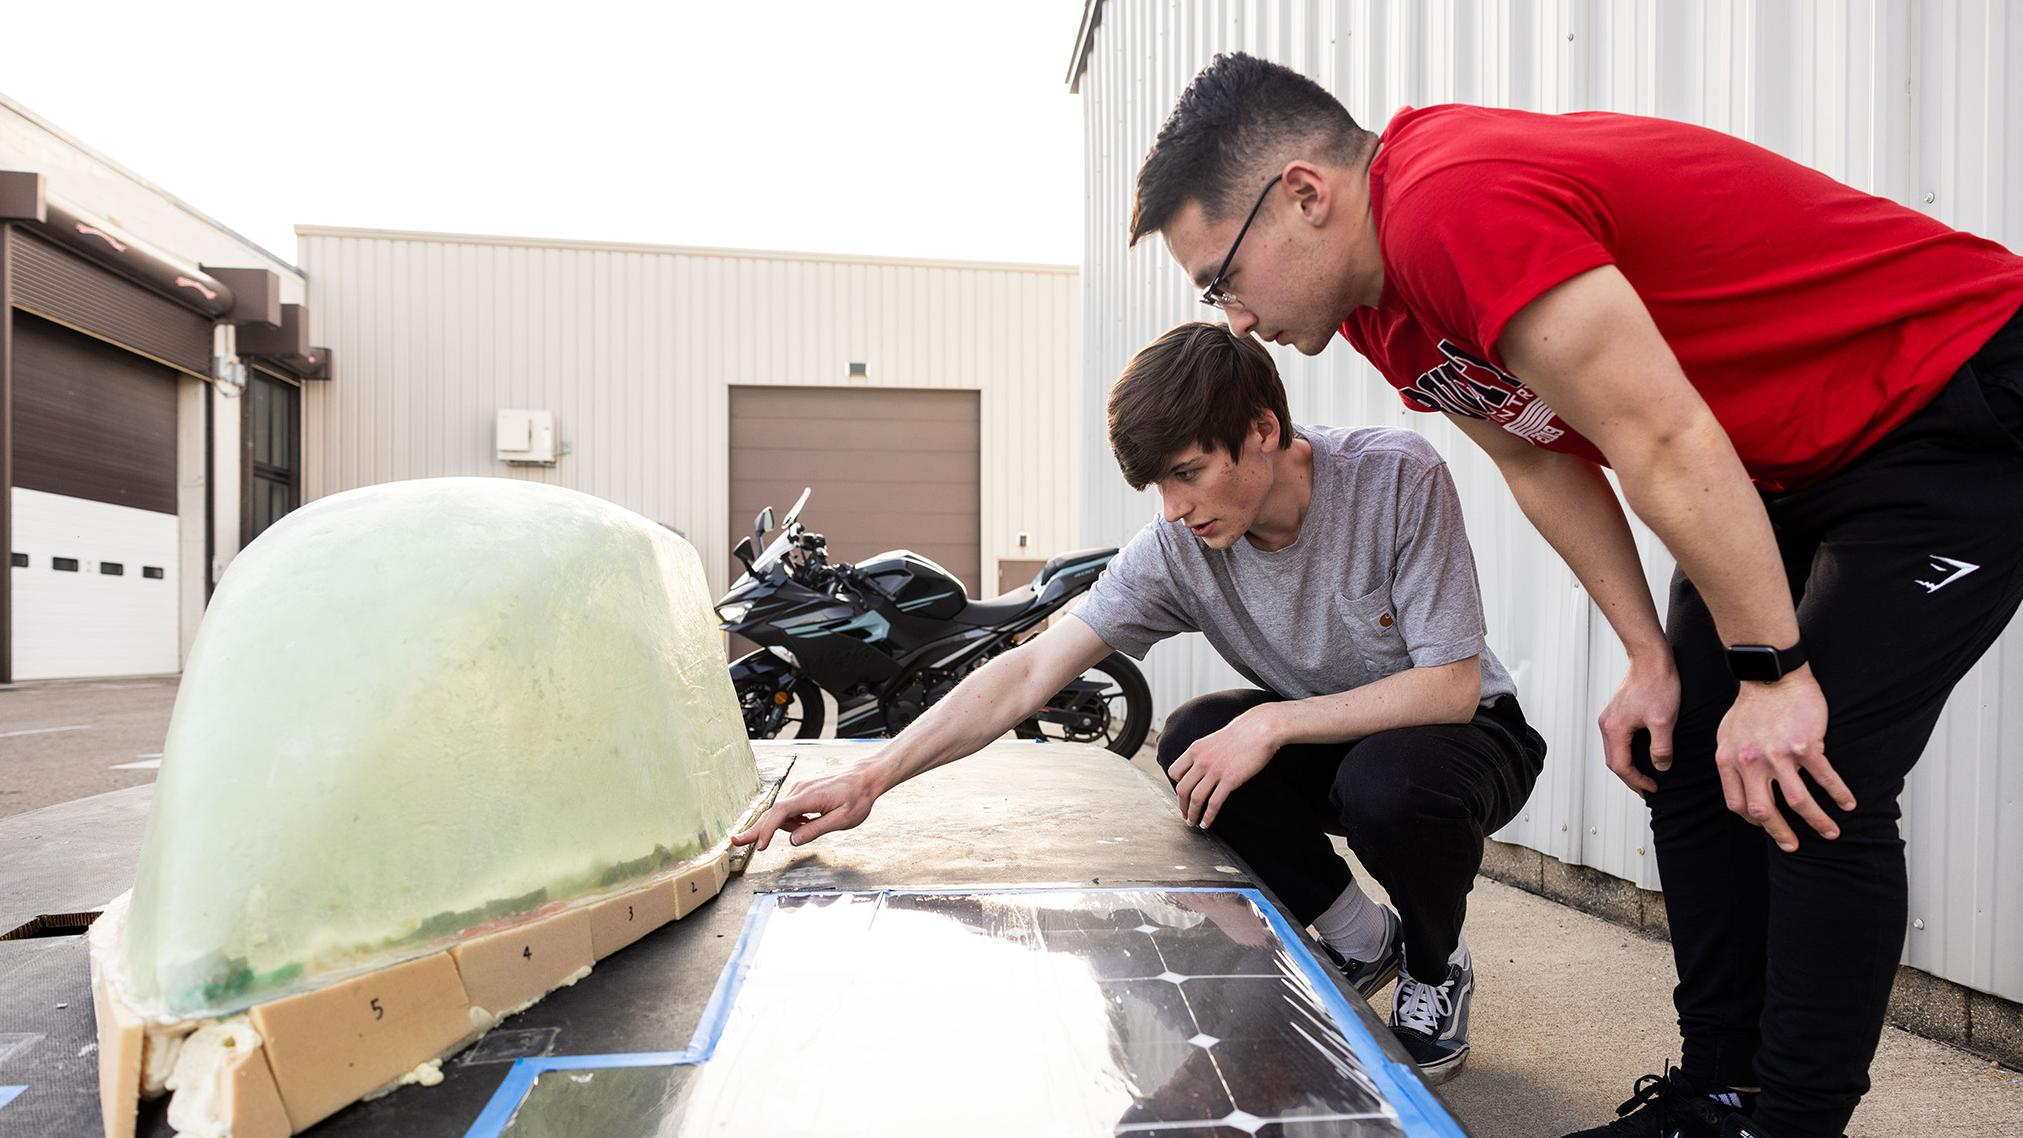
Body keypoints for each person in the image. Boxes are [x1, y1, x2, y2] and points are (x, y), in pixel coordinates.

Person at [1128, 51, 2023, 1138]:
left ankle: (1791, 1120)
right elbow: (1544, 459)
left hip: (1955, 399)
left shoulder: (1452, 203)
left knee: (1810, 772)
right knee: (1688, 748)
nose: (1229, 316)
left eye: (1220, 277)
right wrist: (1651, 659)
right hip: (1787, 466)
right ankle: (1720, 1093)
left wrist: (1775, 671)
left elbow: (1659, 432)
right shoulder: (1381, 307)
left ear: (1303, 195)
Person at [734, 321, 1546, 1084]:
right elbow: (1025, 672)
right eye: (1158, 484)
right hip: (1337, 736)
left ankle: (1436, 968)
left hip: (1463, 736)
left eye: (1187, 473)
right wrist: (871, 778)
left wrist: (1271, 720)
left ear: (1262, 429)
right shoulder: (1176, 548)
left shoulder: (1396, 476)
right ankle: (1362, 941)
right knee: (1196, 736)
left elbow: (1450, 684)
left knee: (1384, 785)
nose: (1173, 508)